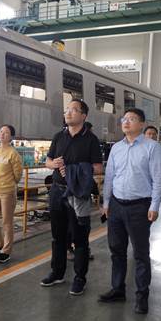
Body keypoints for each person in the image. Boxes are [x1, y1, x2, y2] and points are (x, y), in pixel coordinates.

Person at [99, 108, 161, 314]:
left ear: (142, 124)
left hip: (139, 207)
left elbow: (159, 178)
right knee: (117, 250)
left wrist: (154, 205)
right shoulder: (116, 148)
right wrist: (106, 203)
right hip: (116, 206)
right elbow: (110, 177)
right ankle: (118, 289)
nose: (126, 122)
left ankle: (142, 296)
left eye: (132, 119)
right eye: (124, 119)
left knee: (140, 254)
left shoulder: (152, 147)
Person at [40, 99, 103, 296]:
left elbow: (98, 168)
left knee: (80, 237)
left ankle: (79, 278)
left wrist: (74, 169)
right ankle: (57, 272)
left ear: (84, 115)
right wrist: (53, 164)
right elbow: (48, 161)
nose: (68, 112)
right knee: (57, 236)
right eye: (67, 109)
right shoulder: (59, 136)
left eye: (74, 110)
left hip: (78, 194)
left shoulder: (91, 139)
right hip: (57, 191)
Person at [0, 124, 23, 264]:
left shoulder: (13, 154)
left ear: (11, 137)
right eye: (1, 131)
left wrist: (9, 183)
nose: (2, 134)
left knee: (7, 222)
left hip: (7, 192)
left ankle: (6, 251)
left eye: (6, 132)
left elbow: (18, 175)